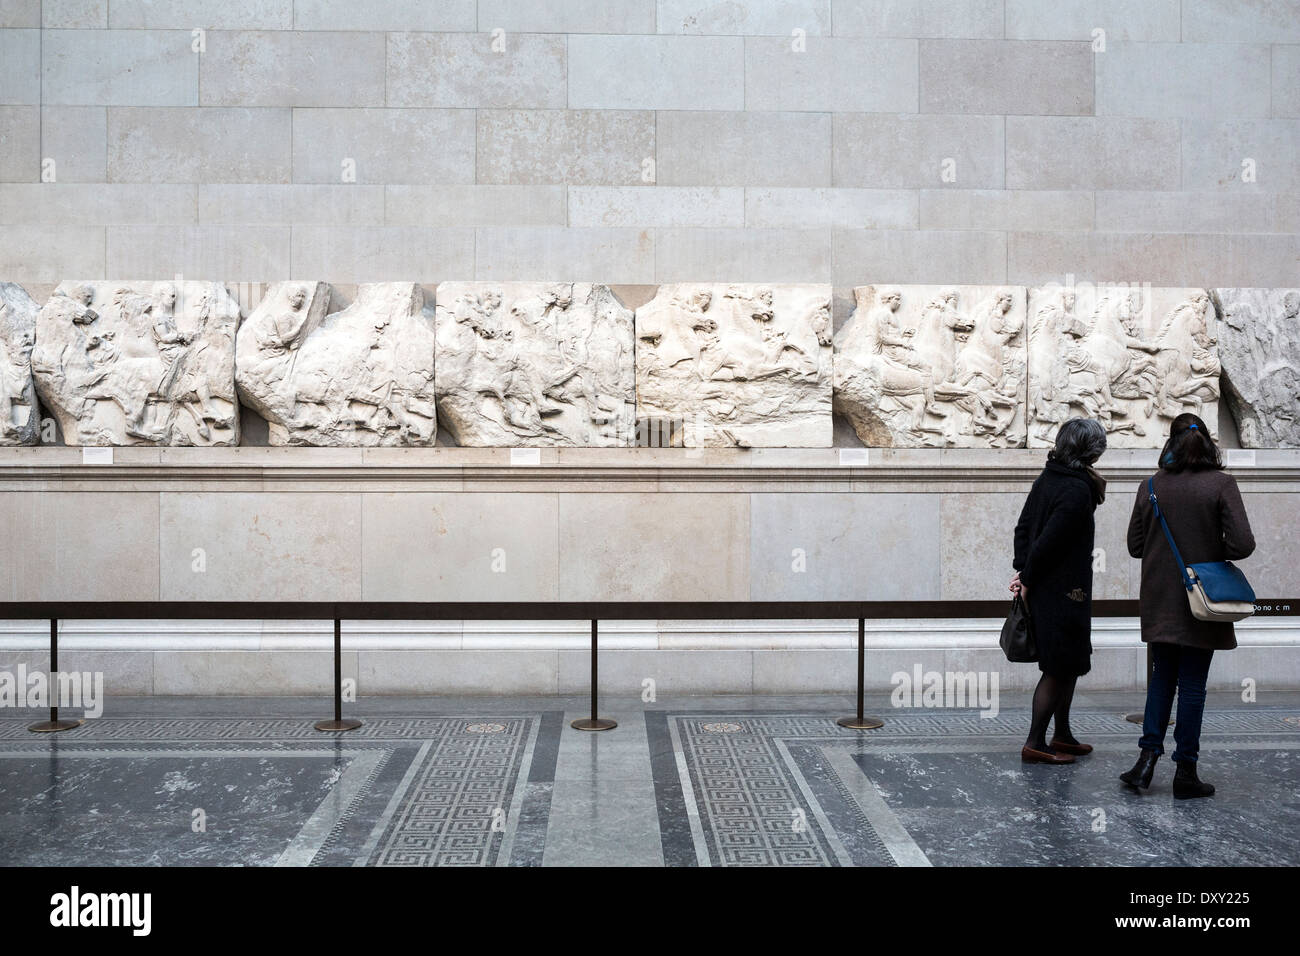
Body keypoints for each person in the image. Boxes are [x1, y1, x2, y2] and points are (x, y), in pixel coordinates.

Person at [1120, 413, 1255, 798]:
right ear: (1207, 443)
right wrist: (1213, 551)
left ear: (1171, 444)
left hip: (1161, 599)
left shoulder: (1150, 487)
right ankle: (1186, 772)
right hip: (1203, 600)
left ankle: (1145, 763)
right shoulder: (1222, 484)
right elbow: (1244, 544)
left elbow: (1134, 546)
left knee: (1161, 679)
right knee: (1193, 684)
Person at [1010, 417, 1108, 764]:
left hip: (1058, 589)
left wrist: (1023, 571)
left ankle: (1062, 734)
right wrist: (1028, 578)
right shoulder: (1077, 488)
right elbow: (1049, 542)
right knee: (1057, 667)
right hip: (1064, 592)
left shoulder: (1050, 477)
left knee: (1070, 663)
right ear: (1090, 450)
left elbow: (1023, 529)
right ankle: (1036, 741)